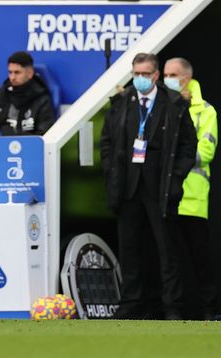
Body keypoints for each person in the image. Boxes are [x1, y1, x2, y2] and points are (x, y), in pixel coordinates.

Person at [100, 53, 197, 320]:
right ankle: (130, 303)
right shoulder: (121, 103)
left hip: (160, 185)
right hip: (128, 186)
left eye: (144, 74)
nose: (139, 79)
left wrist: (176, 178)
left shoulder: (174, 104)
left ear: (155, 76)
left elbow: (189, 145)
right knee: (129, 247)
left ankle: (172, 306)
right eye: (135, 74)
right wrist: (111, 173)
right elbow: (107, 141)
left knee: (167, 249)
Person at [163, 57, 218, 320]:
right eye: (164, 73)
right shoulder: (159, 106)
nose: (167, 78)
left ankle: (209, 310)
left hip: (193, 196)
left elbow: (206, 152)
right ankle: (173, 310)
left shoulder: (205, 110)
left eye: (172, 74)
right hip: (164, 194)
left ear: (186, 77)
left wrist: (172, 153)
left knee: (200, 258)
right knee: (169, 260)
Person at [0, 51, 55, 136]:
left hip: (29, 147)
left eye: (17, 72)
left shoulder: (42, 100)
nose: (12, 77)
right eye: (10, 72)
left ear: (30, 73)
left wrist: (14, 134)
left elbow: (44, 135)